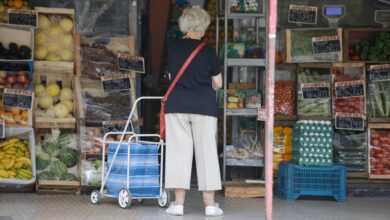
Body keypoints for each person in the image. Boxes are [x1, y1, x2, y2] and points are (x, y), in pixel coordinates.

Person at [164, 5, 223, 217]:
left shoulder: (173, 47)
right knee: (206, 153)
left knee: (179, 153)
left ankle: (178, 204)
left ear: (184, 25)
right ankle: (210, 205)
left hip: (177, 105)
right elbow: (218, 82)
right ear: (203, 26)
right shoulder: (208, 51)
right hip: (204, 107)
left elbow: (169, 76)